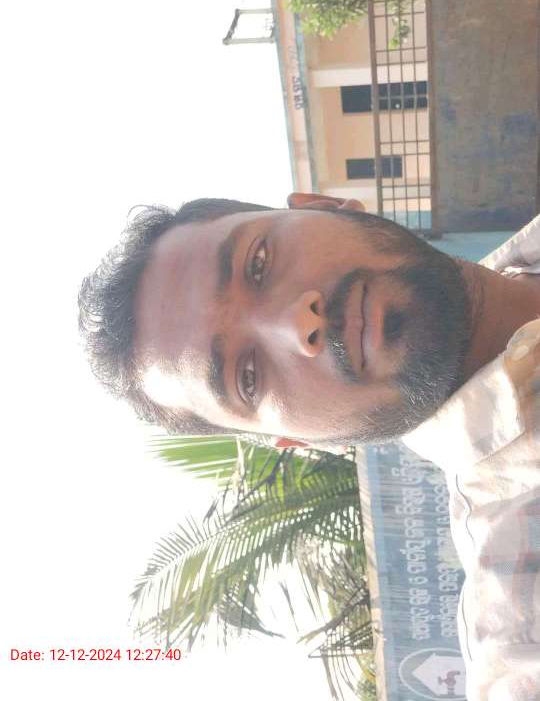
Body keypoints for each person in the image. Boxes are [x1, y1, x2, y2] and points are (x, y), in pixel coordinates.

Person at [79, 192, 540, 699]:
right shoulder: (523, 631)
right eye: (247, 378)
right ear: (296, 442)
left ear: (324, 204)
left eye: (258, 263)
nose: (300, 324)